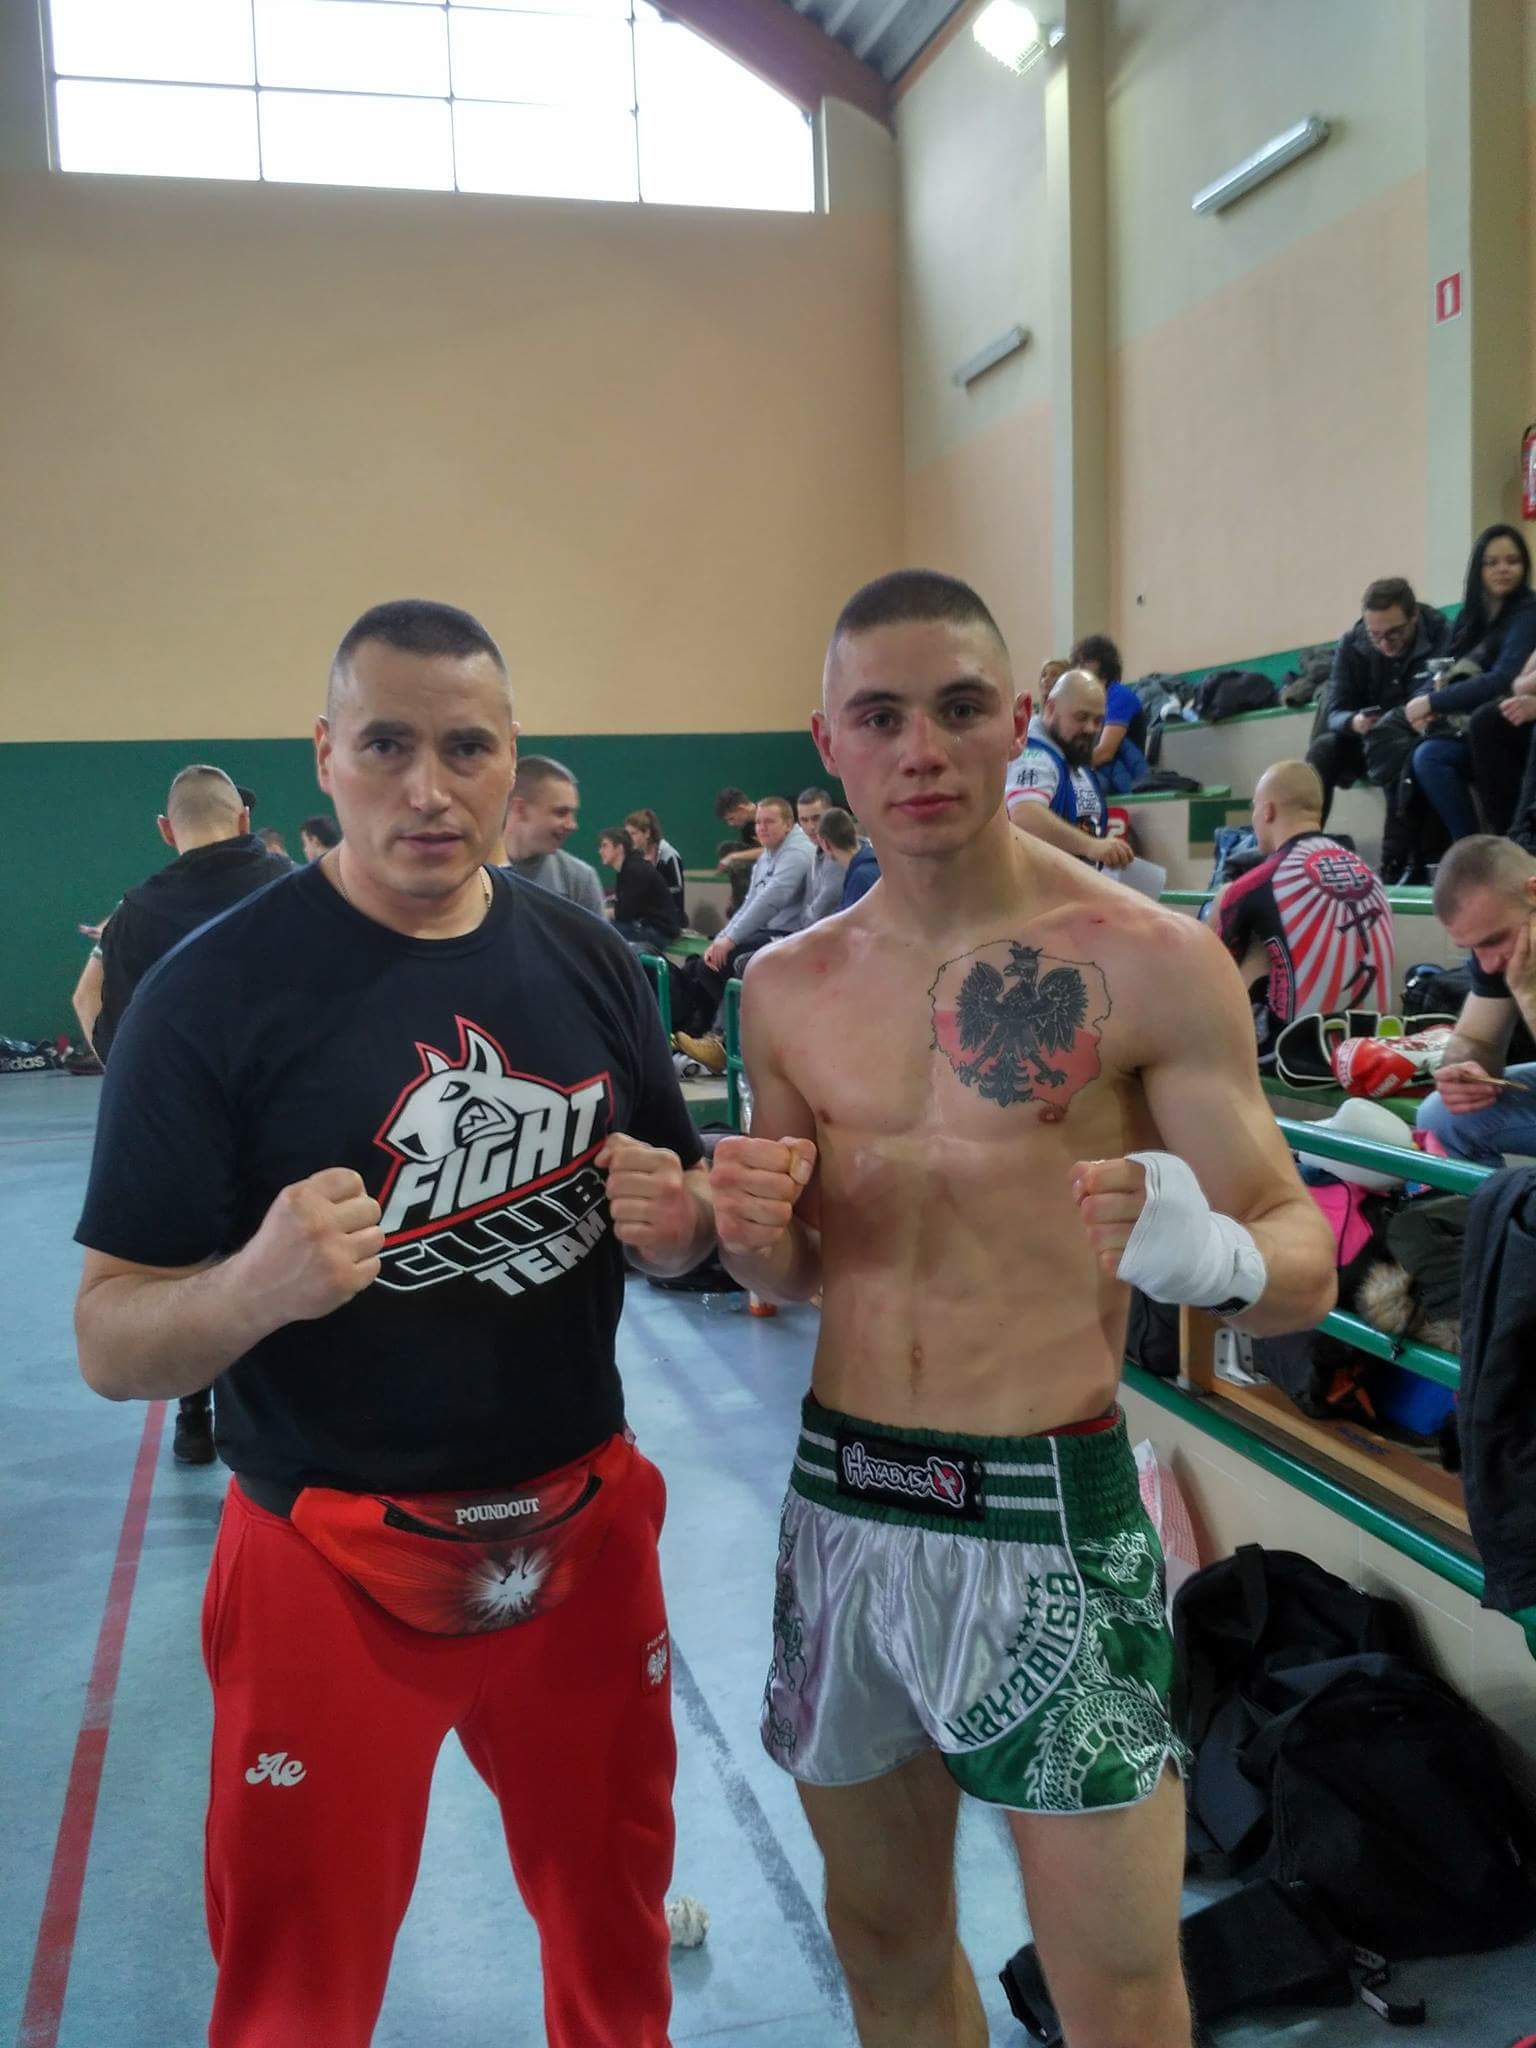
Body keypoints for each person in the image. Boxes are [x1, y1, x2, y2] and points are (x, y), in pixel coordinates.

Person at [72, 599, 715, 2048]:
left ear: (512, 760)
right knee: (297, 1996)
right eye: (386, 746)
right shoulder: (207, 995)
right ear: (324, 756)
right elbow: (109, 1339)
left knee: (617, 1950)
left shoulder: (590, 962)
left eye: (466, 748)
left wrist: (690, 1233)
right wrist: (254, 1286)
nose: (429, 788)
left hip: (582, 1534)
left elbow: (676, 1226)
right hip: (327, 1553)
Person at [708, 569, 1336, 2048]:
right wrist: (747, 1241)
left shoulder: (1151, 960)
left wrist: (1214, 1257)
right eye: (880, 717)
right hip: (843, 1501)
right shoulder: (787, 986)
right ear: (829, 742)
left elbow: (1299, 1248)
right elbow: (800, 1270)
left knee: (1116, 1978)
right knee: (882, 1943)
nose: (921, 749)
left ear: (1017, 725)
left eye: (957, 708)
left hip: (1048, 1510)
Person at [1213, 761, 1394, 1066]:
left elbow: (1211, 973)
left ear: (1267, 811)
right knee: (1277, 930)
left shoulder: (1259, 883)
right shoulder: (1369, 874)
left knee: (1227, 907)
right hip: (1369, 1047)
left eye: (1254, 808)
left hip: (1297, 1054)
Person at [1305, 576, 1451, 877]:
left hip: (1417, 734)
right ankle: (1302, 847)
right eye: (1376, 635)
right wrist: (1354, 721)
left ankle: (1395, 862)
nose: (1385, 643)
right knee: (1323, 750)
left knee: (1401, 747)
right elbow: (1335, 711)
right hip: (1365, 736)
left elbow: (1437, 696)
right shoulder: (1352, 642)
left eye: (1395, 633)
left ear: (1414, 617)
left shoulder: (1441, 632)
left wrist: (1395, 720)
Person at [1408, 526, 1536, 847]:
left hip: (1509, 723)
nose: (1503, 569)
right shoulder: (1468, 617)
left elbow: (1503, 679)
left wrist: (1434, 703)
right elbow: (1441, 668)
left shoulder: (1529, 611)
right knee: (1424, 754)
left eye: (1512, 561)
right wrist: (1424, 700)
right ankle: (1466, 848)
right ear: (1478, 568)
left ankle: (1504, 843)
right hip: (1464, 725)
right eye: (1492, 562)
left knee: (1483, 723)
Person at [1414, 836, 1536, 1164]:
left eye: (1494, 941)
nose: (1488, 964)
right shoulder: (1506, 929)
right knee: (1442, 1116)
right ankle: (1497, 1200)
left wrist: (1529, 995)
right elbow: (1475, 1038)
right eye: (1474, 947)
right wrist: (1463, 1075)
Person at [672, 797, 814, 1071]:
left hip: (793, 934)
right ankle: (716, 1036)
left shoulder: (797, 853)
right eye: (758, 822)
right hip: (768, 930)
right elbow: (750, 902)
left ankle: (725, 1042)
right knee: (705, 966)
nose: (761, 828)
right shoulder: (767, 854)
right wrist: (722, 937)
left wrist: (730, 940)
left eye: (769, 822)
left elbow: (770, 901)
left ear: (788, 824)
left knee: (736, 960)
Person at [1006, 669, 1135, 871]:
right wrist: (1092, 846)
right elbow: (1025, 816)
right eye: (1081, 717)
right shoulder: (1032, 755)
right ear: (1050, 709)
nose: (1091, 728)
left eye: (1098, 721)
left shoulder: (1072, 756)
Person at [499, 753, 606, 916]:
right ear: (520, 809)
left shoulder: (579, 881)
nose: (573, 825)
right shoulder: (472, 871)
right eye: (561, 812)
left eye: (573, 813)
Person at [1070, 633, 1150, 796]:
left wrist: (1066, 768)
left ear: (1102, 663)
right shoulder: (1088, 699)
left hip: (1123, 777)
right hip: (1100, 770)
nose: (1079, 667)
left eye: (1085, 660)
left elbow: (1105, 752)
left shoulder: (1118, 695)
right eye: (1078, 662)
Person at [598, 825, 684, 951]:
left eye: (605, 846)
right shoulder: (627, 868)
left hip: (659, 932)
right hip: (648, 926)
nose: (600, 851)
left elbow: (625, 913)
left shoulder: (635, 870)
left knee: (601, 930)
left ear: (619, 848)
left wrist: (602, 912)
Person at [802, 806, 869, 919]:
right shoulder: (872, 861)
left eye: (815, 818)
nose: (811, 826)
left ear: (825, 844)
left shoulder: (859, 877)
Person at [625, 808, 686, 918]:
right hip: (645, 917)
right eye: (627, 834)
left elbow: (677, 889)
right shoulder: (634, 857)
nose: (629, 839)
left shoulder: (669, 856)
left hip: (670, 919)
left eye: (633, 833)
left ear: (647, 833)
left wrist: (649, 894)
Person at [715, 784, 762, 907]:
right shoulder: (747, 829)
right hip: (760, 872)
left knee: (728, 849)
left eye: (731, 818)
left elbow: (775, 849)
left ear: (741, 809)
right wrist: (734, 895)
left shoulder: (769, 816)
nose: (730, 824)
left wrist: (732, 856)